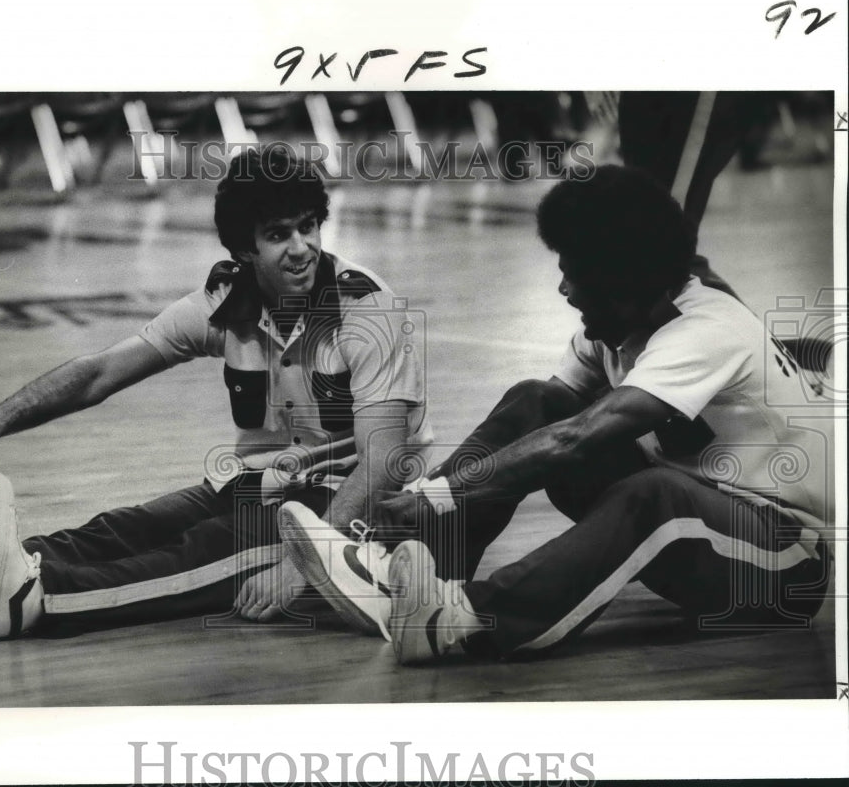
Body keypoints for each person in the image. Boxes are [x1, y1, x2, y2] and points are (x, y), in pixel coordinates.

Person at [0, 145, 431, 641]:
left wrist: (314, 560)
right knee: (122, 528)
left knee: (194, 551)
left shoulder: (367, 309)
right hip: (263, 483)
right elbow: (99, 373)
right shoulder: (226, 302)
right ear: (245, 250)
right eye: (279, 234)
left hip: (354, 512)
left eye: (309, 226)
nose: (302, 247)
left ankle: (34, 599)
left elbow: (383, 459)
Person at [286, 165, 831, 664]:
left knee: (656, 493)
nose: (563, 287)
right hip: (707, 537)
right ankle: (409, 572)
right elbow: (543, 417)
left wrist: (432, 494)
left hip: (784, 565)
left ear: (621, 283)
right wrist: (433, 507)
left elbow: (574, 440)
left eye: (574, 274)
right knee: (536, 400)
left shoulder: (707, 329)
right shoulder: (619, 324)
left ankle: (462, 620)